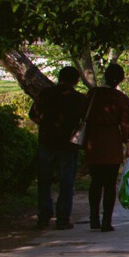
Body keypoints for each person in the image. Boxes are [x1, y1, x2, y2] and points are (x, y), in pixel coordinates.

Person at [28, 65, 87, 230]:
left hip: (47, 140)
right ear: (76, 81)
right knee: (66, 181)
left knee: (44, 180)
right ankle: (62, 218)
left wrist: (45, 125)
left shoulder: (45, 94)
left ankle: (44, 216)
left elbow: (33, 114)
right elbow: (84, 121)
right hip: (68, 143)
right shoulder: (78, 99)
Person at [81, 61, 129, 232]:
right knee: (110, 183)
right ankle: (106, 221)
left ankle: (93, 217)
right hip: (111, 140)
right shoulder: (121, 99)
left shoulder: (92, 94)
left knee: (95, 181)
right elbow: (125, 124)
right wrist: (128, 144)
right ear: (120, 79)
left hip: (93, 139)